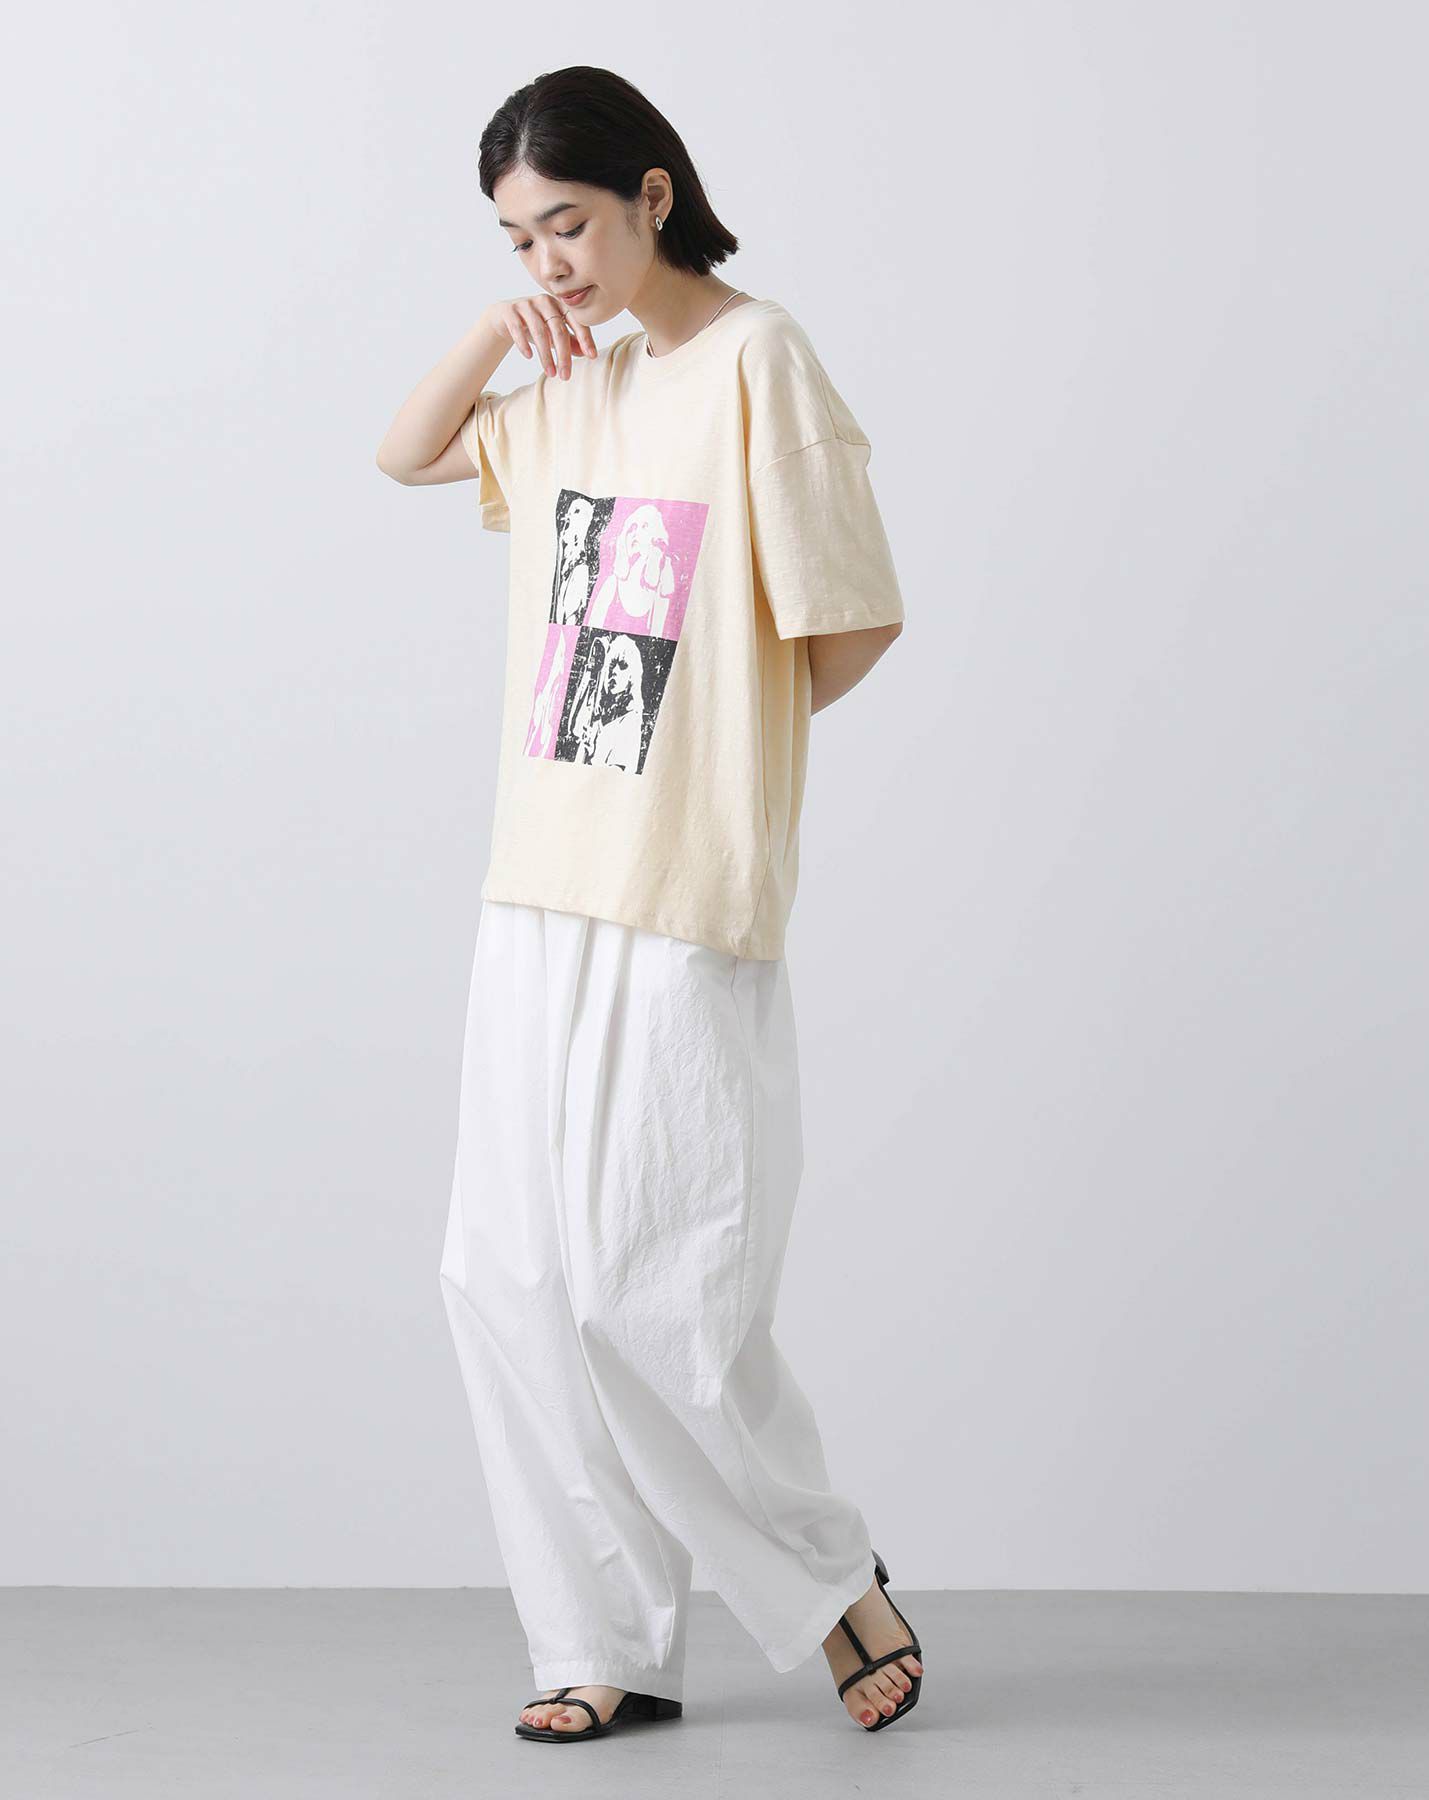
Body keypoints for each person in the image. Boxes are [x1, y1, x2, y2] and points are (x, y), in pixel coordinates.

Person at [375, 64, 923, 1743]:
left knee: (652, 1285)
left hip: (682, 881)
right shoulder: (568, 378)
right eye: (519, 240)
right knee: (507, 1277)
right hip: (538, 874)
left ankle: (832, 1584)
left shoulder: (760, 361)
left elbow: (851, 617)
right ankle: (599, 1641)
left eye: (568, 225)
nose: (551, 262)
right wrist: (500, 329)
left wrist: (717, 749)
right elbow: (405, 453)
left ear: (653, 196)